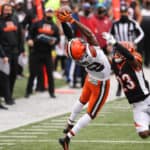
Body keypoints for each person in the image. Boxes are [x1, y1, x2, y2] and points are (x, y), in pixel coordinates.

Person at [55, 7, 111, 150]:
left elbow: (70, 37)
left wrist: (63, 22)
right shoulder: (92, 52)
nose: (80, 41)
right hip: (101, 83)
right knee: (91, 114)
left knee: (82, 100)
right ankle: (68, 137)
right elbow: (89, 33)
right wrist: (72, 20)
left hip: (89, 78)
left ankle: (69, 122)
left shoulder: (76, 55)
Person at [103, 32, 150, 139]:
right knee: (143, 134)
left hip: (147, 99)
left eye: (118, 52)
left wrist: (115, 43)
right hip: (136, 105)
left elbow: (129, 56)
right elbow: (104, 58)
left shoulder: (134, 62)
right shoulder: (116, 64)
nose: (116, 54)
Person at [110, 2, 144, 96]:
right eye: (122, 12)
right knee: (118, 70)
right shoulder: (115, 24)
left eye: (125, 12)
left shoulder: (133, 23)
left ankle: (135, 86)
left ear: (128, 12)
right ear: (120, 12)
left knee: (132, 68)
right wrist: (113, 44)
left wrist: (135, 42)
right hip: (119, 50)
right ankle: (119, 87)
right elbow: (110, 35)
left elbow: (141, 34)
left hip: (130, 50)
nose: (123, 14)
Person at [25, 8, 60, 98]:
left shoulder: (54, 26)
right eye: (48, 12)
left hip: (47, 53)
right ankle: (28, 91)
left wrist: (54, 42)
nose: (49, 14)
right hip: (35, 52)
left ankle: (51, 92)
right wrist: (29, 40)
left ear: (53, 14)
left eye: (51, 12)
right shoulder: (37, 23)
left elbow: (58, 39)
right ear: (45, 13)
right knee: (33, 73)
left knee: (49, 73)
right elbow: (30, 33)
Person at [0, 3, 25, 105]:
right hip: (4, 53)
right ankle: (7, 97)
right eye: (6, 10)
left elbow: (20, 36)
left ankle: (8, 94)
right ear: (2, 10)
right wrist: (2, 55)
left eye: (9, 10)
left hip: (15, 52)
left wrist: (22, 50)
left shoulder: (15, 20)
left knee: (14, 74)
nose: (8, 12)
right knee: (4, 76)